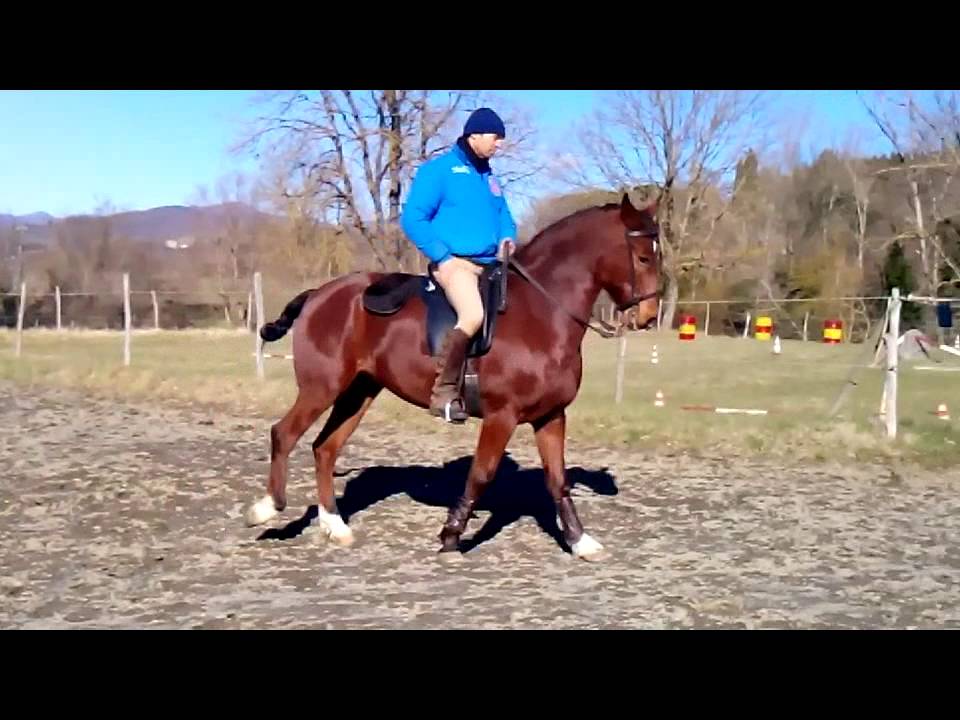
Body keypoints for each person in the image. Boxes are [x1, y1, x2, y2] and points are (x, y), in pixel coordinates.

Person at [400, 107, 517, 423]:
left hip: (490, 266)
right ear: (475, 135)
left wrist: (508, 236)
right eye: (496, 138)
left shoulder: (489, 177)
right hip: (455, 266)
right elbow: (412, 218)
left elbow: (504, 214)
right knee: (473, 315)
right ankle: (444, 393)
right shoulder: (439, 171)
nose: (499, 145)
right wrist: (443, 257)